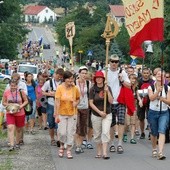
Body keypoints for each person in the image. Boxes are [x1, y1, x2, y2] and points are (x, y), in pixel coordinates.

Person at [107, 54, 131, 154]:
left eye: (116, 62)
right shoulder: (106, 72)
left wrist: (121, 79)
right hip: (109, 101)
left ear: (118, 63)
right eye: (112, 61)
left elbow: (129, 85)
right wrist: (108, 94)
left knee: (121, 122)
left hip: (120, 101)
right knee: (111, 124)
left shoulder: (122, 72)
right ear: (109, 62)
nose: (114, 63)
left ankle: (119, 144)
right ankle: (112, 143)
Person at [55, 71, 80, 159]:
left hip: (72, 113)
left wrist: (76, 103)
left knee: (70, 132)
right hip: (62, 113)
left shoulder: (75, 88)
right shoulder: (60, 88)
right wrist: (56, 114)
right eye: (69, 78)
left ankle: (69, 150)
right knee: (62, 132)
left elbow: (78, 99)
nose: (71, 80)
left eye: (72, 78)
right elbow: (57, 102)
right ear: (64, 79)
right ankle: (62, 146)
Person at [89, 71, 113, 159]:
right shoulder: (93, 89)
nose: (99, 79)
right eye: (97, 78)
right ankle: (98, 151)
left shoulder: (107, 88)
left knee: (106, 132)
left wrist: (108, 92)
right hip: (96, 114)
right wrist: (99, 112)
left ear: (103, 79)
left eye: (100, 77)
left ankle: (105, 152)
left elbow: (111, 101)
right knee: (97, 134)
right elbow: (91, 103)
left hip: (107, 114)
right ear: (95, 79)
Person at [148, 70, 170, 160]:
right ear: (155, 76)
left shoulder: (168, 88)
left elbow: (169, 102)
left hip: (164, 112)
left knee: (162, 131)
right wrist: (158, 92)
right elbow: (151, 98)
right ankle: (154, 149)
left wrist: (162, 99)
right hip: (153, 112)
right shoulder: (151, 87)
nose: (160, 76)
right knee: (154, 133)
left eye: (162, 75)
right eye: (158, 74)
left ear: (164, 78)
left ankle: (160, 152)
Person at [2, 80, 28, 151]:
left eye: (14, 86)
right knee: (10, 127)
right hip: (10, 112)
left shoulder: (21, 92)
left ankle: (17, 143)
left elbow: (26, 101)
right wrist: (9, 105)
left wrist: (20, 106)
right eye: (11, 86)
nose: (13, 87)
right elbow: (3, 102)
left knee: (18, 129)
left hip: (20, 113)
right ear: (9, 85)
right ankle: (11, 145)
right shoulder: (6, 92)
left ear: (17, 86)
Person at [42, 68, 64, 146]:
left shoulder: (63, 83)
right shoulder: (49, 82)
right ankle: (52, 139)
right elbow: (42, 91)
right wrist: (50, 94)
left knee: (59, 123)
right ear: (55, 74)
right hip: (51, 104)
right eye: (58, 76)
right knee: (51, 123)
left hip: (61, 105)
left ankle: (59, 139)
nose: (59, 78)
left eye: (61, 76)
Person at [74, 66, 91, 154]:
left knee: (83, 127)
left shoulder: (88, 83)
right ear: (79, 73)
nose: (84, 75)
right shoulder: (74, 82)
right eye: (82, 73)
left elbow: (90, 95)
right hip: (76, 107)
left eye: (85, 73)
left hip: (85, 107)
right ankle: (77, 145)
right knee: (77, 126)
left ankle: (79, 145)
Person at [137, 67, 154, 139]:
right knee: (141, 118)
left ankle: (151, 132)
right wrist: (140, 100)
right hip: (141, 102)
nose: (146, 75)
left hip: (150, 102)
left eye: (147, 73)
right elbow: (137, 91)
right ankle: (142, 132)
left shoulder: (152, 82)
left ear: (149, 73)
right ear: (142, 73)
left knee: (150, 118)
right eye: (144, 73)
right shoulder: (139, 81)